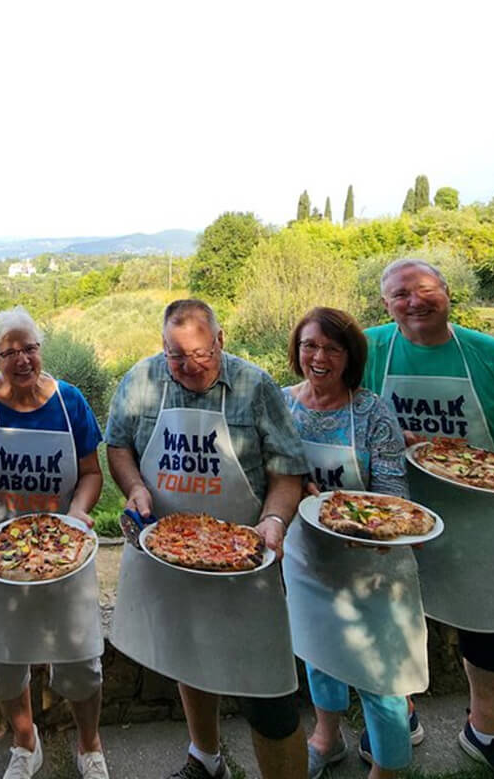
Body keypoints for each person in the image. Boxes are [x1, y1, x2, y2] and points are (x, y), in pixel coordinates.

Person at [363, 259, 494, 779]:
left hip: (485, 512)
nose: (414, 301)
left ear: (448, 292)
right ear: (385, 304)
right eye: (400, 294)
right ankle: (399, 717)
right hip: (397, 510)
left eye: (425, 289)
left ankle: (485, 733)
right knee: (394, 622)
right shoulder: (368, 350)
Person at [104, 298, 309, 779]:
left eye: (201, 354)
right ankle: (206, 758)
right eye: (177, 357)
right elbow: (118, 445)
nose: (190, 366)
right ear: (162, 347)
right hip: (169, 554)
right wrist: (134, 486)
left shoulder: (255, 386)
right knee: (188, 659)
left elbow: (287, 471)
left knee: (269, 694)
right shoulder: (140, 380)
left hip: (244, 557)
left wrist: (275, 522)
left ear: (220, 340)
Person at [0, 306, 110, 779]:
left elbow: (92, 473)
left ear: (41, 349)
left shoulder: (70, 402)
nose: (22, 360)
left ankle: (90, 746)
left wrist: (78, 513)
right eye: (9, 352)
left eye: (30, 348)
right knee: (3, 663)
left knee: (80, 663)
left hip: (66, 550)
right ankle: (25, 742)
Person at [279, 307, 428, 779]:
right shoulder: (283, 404)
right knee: (317, 653)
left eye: (331, 348)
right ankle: (326, 738)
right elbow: (271, 474)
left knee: (380, 677)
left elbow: (393, 494)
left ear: (350, 356)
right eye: (309, 345)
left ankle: (387, 769)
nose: (318, 357)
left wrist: (338, 509)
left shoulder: (372, 411)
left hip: (373, 561)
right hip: (307, 558)